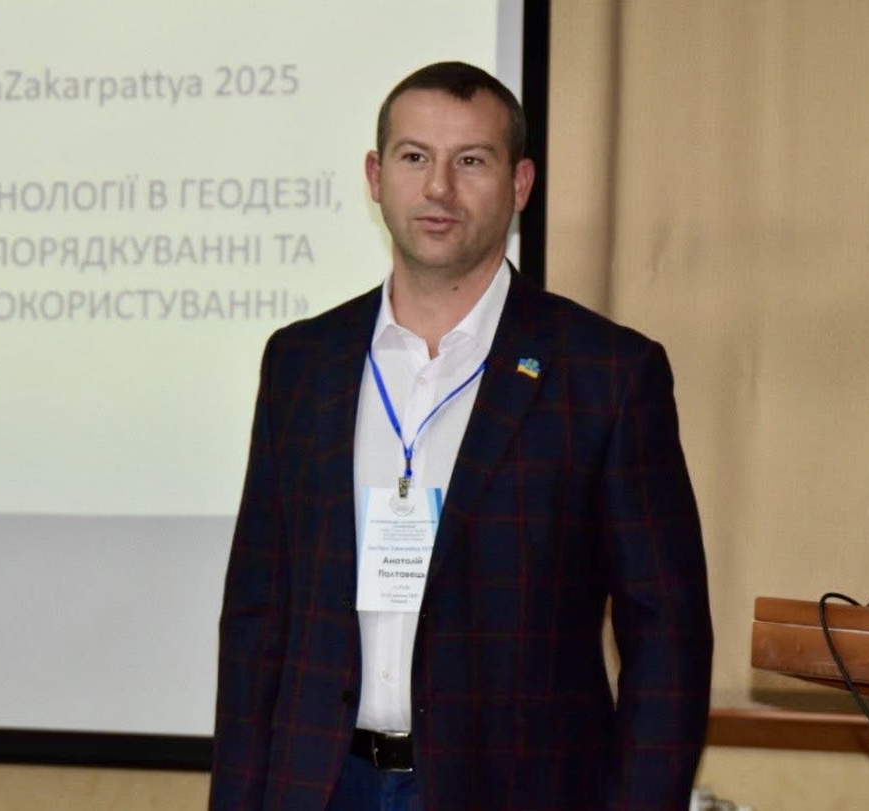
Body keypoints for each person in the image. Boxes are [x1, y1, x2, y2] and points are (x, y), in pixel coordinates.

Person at [209, 61, 713, 811]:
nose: (438, 188)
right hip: (319, 785)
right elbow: (257, 618)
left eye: (470, 161)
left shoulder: (605, 373)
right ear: (376, 176)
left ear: (519, 185)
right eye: (415, 157)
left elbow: (665, 635)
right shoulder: (302, 362)